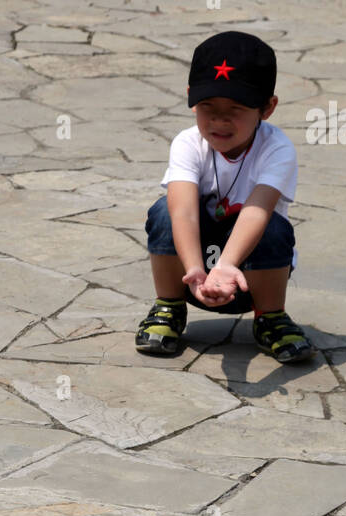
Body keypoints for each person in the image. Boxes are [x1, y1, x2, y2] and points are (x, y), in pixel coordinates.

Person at [135, 31, 315, 364]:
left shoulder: (277, 149)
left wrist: (227, 266)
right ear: (190, 97)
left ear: (268, 107)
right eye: (207, 107)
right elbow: (183, 213)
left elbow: (256, 211)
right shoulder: (187, 144)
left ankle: (270, 317)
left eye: (235, 108)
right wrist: (195, 272)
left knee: (273, 225)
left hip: (250, 275)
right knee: (163, 211)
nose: (219, 120)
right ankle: (169, 307)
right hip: (195, 275)